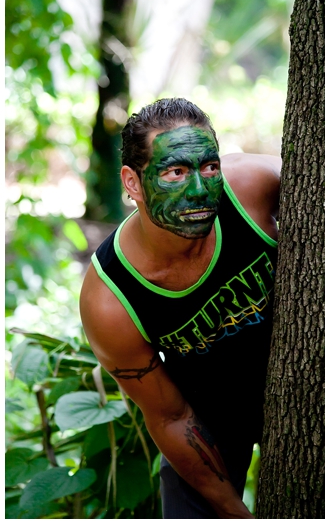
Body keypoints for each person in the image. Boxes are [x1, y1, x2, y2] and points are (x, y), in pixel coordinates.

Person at [80, 98, 280, 518]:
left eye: (209, 167)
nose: (200, 189)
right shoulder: (110, 298)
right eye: (175, 172)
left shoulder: (250, 186)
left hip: (301, 382)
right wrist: (233, 509)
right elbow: (170, 417)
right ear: (132, 183)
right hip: (208, 414)